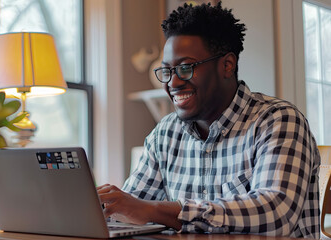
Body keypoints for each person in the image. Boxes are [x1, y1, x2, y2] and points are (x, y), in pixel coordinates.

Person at [97, 2, 320, 238]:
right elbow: (133, 210)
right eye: (167, 71)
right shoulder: (165, 133)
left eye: (185, 68)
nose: (172, 83)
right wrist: (109, 206)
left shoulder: (277, 121)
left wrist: (155, 210)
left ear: (227, 65)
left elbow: (274, 214)